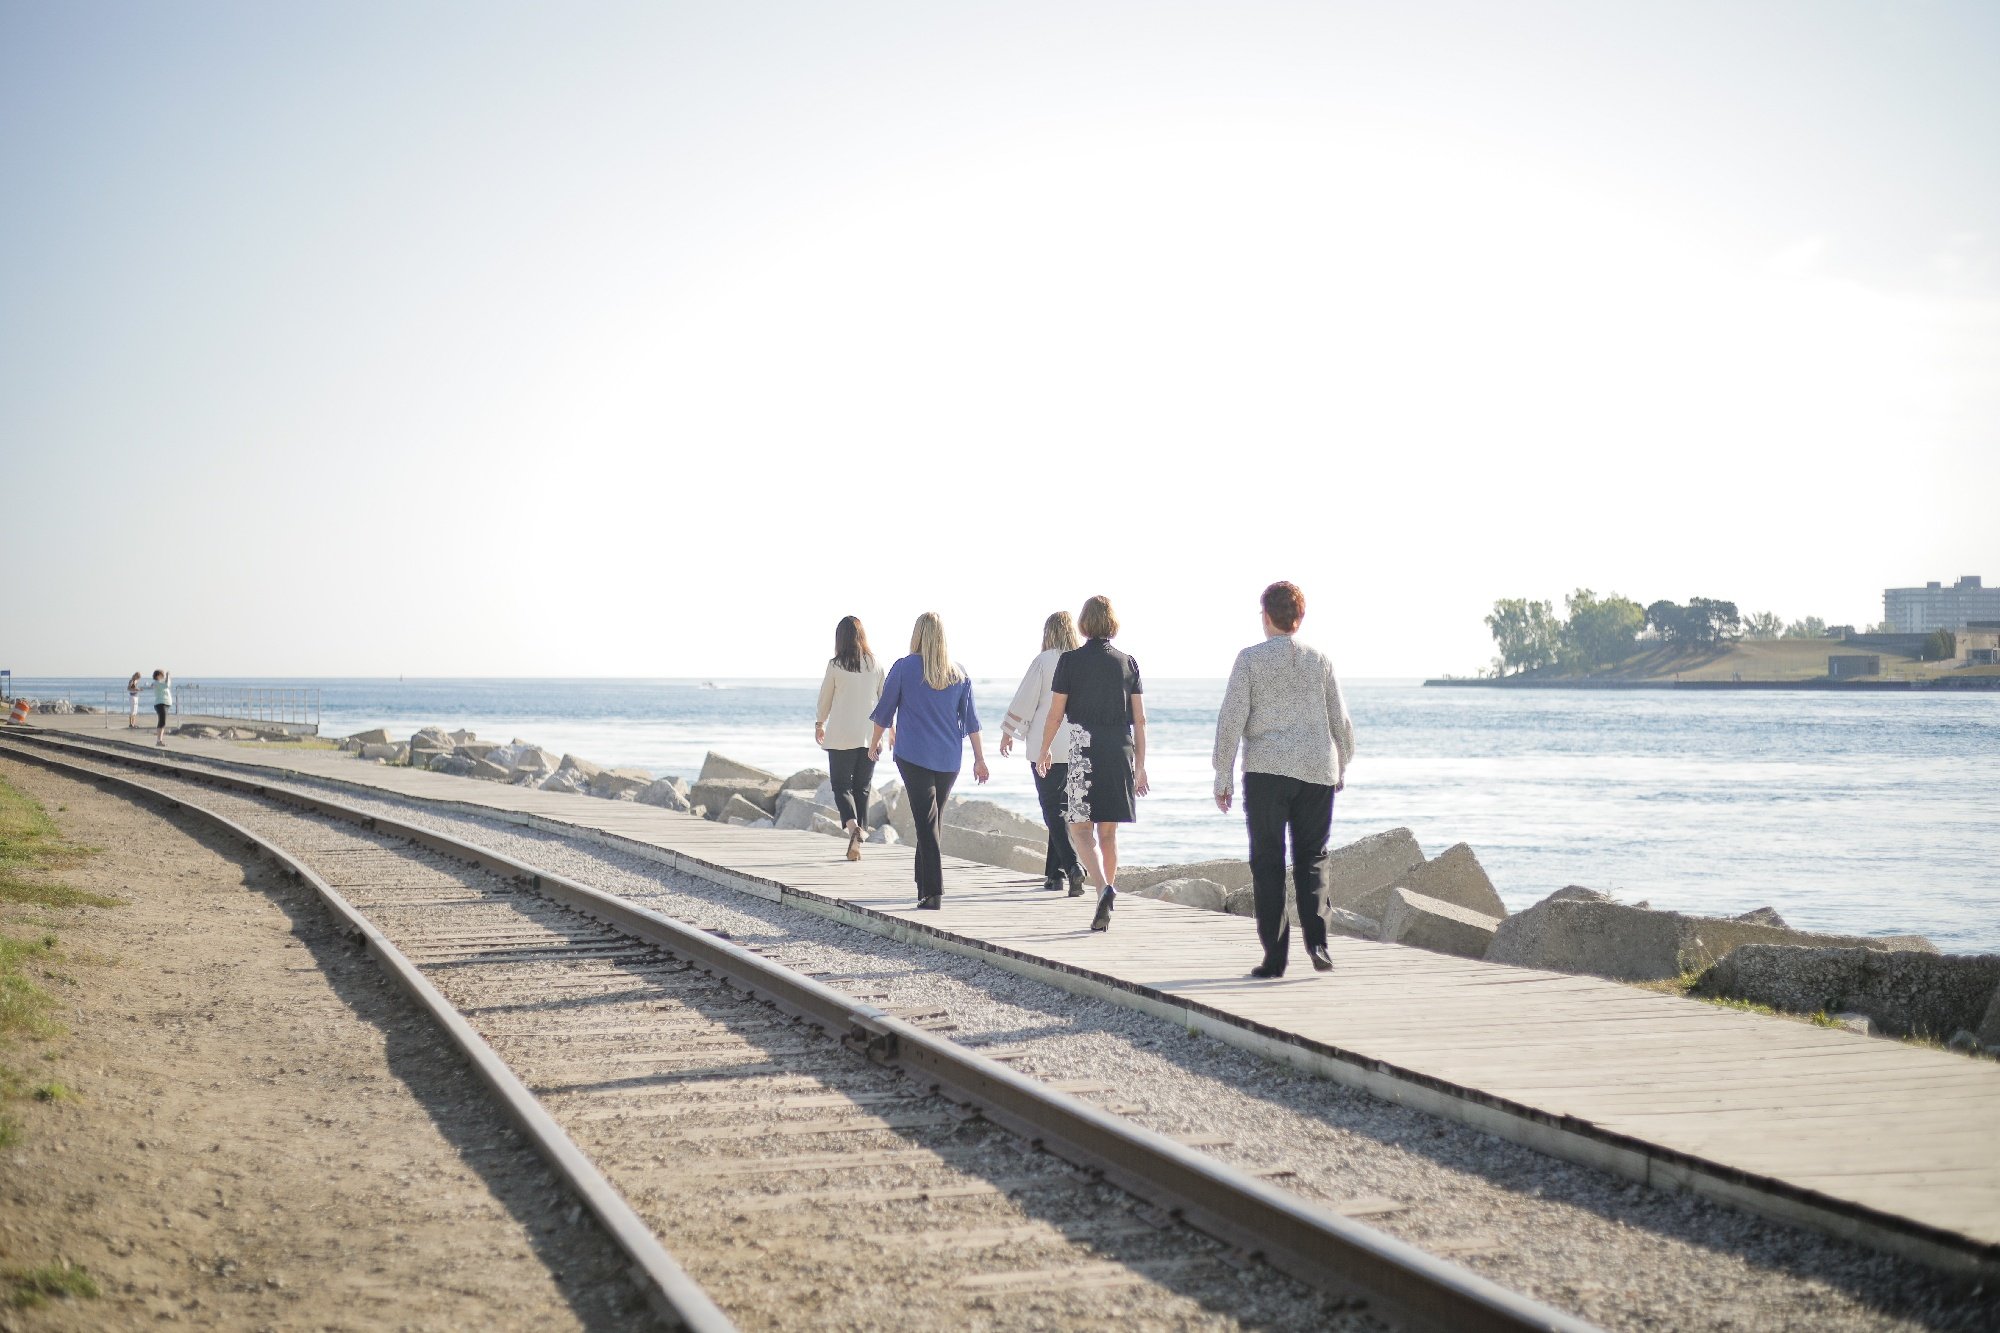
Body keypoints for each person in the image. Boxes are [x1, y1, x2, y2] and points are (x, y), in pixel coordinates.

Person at [1211, 581, 1355, 978]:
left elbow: (1231, 719)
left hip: (1267, 773)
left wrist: (1223, 775)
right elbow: (1340, 722)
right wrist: (1340, 765)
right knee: (1313, 858)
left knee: (1268, 862)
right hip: (1316, 772)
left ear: (1266, 616)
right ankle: (1319, 944)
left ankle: (1275, 959)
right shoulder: (1320, 660)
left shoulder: (1250, 659)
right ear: (1299, 618)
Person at [1037, 595, 1146, 932]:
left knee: (1080, 829)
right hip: (1119, 750)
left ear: (1084, 624)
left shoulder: (1069, 662)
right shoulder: (1128, 663)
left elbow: (1055, 715)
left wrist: (1044, 750)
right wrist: (1140, 766)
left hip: (1083, 749)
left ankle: (1102, 889)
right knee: (1108, 833)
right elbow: (1140, 721)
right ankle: (1106, 898)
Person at [868, 612, 989, 909]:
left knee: (927, 821)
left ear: (918, 635)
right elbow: (971, 722)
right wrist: (980, 759)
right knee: (931, 820)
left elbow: (885, 711)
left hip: (913, 755)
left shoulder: (904, 667)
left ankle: (933, 891)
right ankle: (923, 884)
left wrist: (874, 744)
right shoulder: (959, 674)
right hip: (949, 759)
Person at [1000, 611, 1086, 896]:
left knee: (1052, 810)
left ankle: (1073, 866)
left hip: (1045, 744)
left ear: (1048, 633)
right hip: (1076, 744)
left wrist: (1008, 732)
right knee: (1062, 809)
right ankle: (1054, 874)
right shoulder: (1080, 661)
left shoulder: (1044, 660)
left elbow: (1026, 698)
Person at [816, 615, 886, 862]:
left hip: (841, 735)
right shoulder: (876, 664)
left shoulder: (835, 665)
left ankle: (853, 825)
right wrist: (890, 731)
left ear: (840, 638)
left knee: (841, 786)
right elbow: (885, 701)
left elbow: (826, 696)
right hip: (870, 735)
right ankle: (859, 836)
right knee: (862, 789)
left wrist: (819, 722)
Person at [150, 669, 173, 748]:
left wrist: (168, 678)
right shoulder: (157, 683)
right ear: (157, 675)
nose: (163, 676)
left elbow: (167, 684)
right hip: (161, 704)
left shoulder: (160, 683)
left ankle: (159, 740)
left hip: (164, 704)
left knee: (162, 722)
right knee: (162, 722)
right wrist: (168, 676)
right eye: (162, 675)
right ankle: (159, 741)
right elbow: (167, 685)